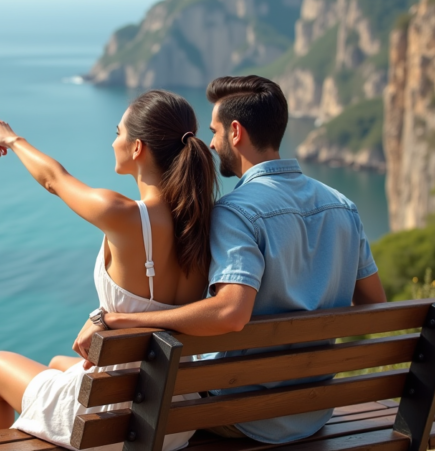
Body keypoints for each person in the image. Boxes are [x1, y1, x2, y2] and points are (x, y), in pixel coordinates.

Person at [74, 75, 387, 444]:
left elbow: (231, 312)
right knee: (65, 374)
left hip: (242, 416)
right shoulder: (343, 205)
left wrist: (121, 320)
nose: (209, 143)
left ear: (235, 132)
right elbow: (375, 305)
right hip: (314, 410)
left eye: (215, 131)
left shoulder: (235, 212)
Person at [0, 90, 218, 451]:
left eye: (118, 132)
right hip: (175, 414)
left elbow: (54, 179)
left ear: (137, 149)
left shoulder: (124, 215)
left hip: (117, 421)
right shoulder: (207, 222)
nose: (114, 141)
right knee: (58, 363)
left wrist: (11, 138)